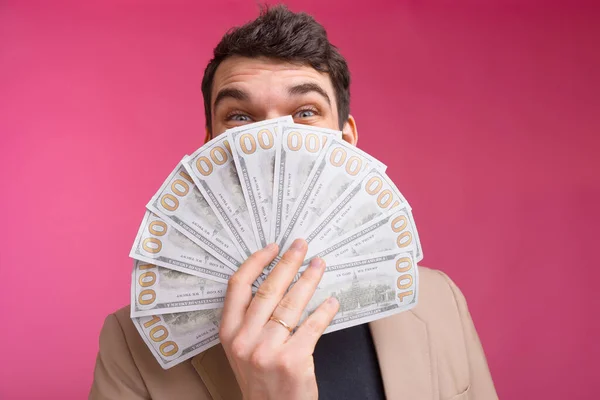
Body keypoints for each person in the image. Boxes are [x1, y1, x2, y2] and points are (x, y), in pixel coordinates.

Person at [90, 6, 497, 400]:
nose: (275, 143)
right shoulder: (134, 344)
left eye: (304, 112)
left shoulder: (441, 303)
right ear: (210, 150)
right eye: (240, 118)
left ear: (347, 142)